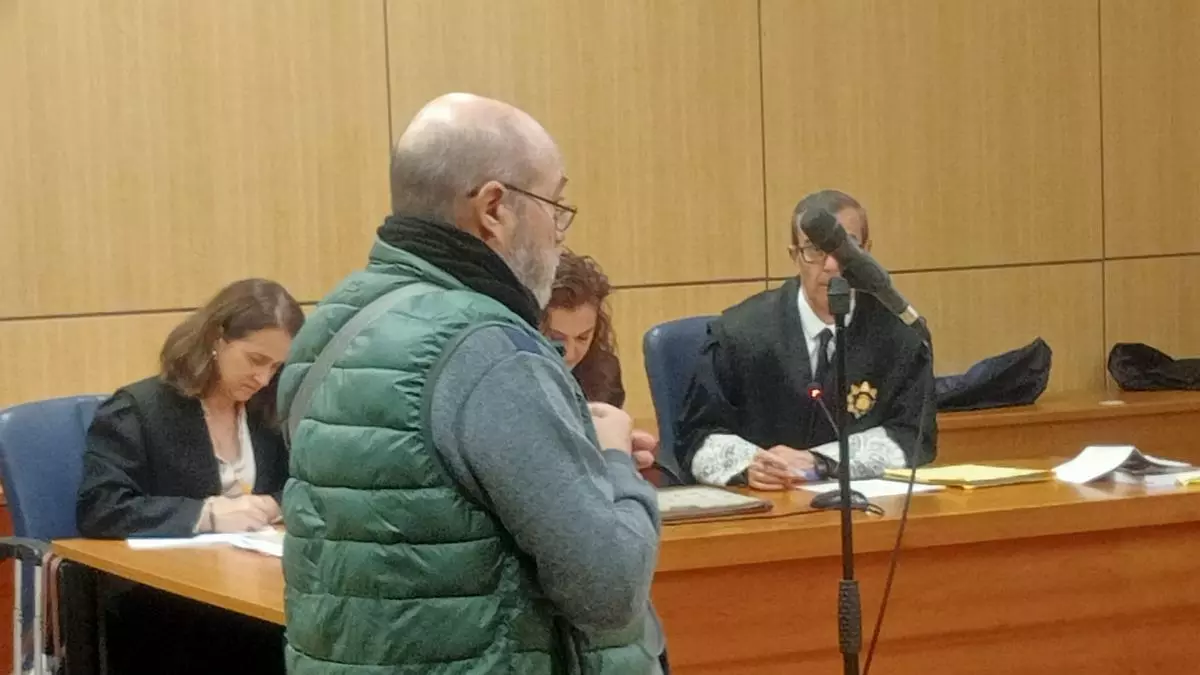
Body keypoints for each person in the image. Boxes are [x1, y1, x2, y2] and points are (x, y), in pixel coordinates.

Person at [280, 93, 665, 674]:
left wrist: (568, 448)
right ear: (494, 209)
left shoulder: (333, 325)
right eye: (555, 206)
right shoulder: (491, 352)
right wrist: (611, 461)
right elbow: (608, 590)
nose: (559, 232)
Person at [76, 277, 304, 675]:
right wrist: (206, 514)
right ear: (216, 338)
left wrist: (274, 504)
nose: (264, 379)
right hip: (164, 603)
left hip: (253, 587)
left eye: (276, 367)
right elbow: (101, 507)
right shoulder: (139, 410)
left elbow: (305, 482)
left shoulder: (266, 410)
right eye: (255, 360)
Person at [674, 189, 936, 489]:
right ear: (794, 255)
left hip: (867, 505)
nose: (832, 265)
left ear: (867, 250)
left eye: (847, 247)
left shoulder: (899, 337)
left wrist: (822, 462)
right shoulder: (739, 334)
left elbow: (913, 435)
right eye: (815, 249)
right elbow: (696, 436)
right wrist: (751, 466)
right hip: (766, 501)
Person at [541, 249, 625, 406]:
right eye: (556, 339)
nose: (570, 355)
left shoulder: (604, 374)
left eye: (583, 338)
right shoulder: (508, 370)